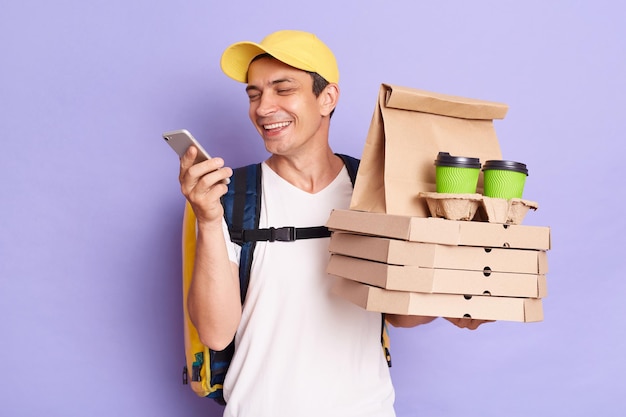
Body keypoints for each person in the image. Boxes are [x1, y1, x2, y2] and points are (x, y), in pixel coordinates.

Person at [178, 29, 488, 417]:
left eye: (282, 88)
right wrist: (208, 221)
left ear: (327, 98)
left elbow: (400, 313)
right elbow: (215, 333)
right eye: (254, 94)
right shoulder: (228, 196)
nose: (263, 107)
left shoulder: (375, 190)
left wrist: (459, 300)